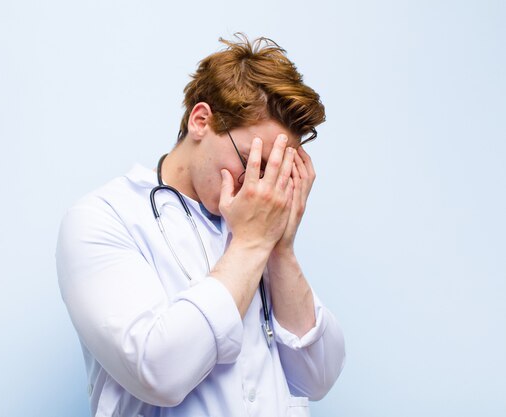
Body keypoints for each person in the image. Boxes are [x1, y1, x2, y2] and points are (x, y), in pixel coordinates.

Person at [56, 34, 345, 417]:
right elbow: (159, 371)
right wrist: (252, 243)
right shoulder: (105, 217)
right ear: (201, 120)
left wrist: (281, 247)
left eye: (275, 170)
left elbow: (318, 378)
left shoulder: (254, 226)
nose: (259, 184)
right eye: (251, 159)